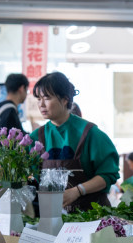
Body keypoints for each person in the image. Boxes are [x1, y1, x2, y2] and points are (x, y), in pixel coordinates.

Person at [30, 72, 120, 210]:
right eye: (38, 98)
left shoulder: (90, 134)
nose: (41, 104)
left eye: (47, 98)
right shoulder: (36, 138)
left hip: (92, 216)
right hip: (52, 217)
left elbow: (108, 174)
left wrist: (77, 191)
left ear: (65, 99)